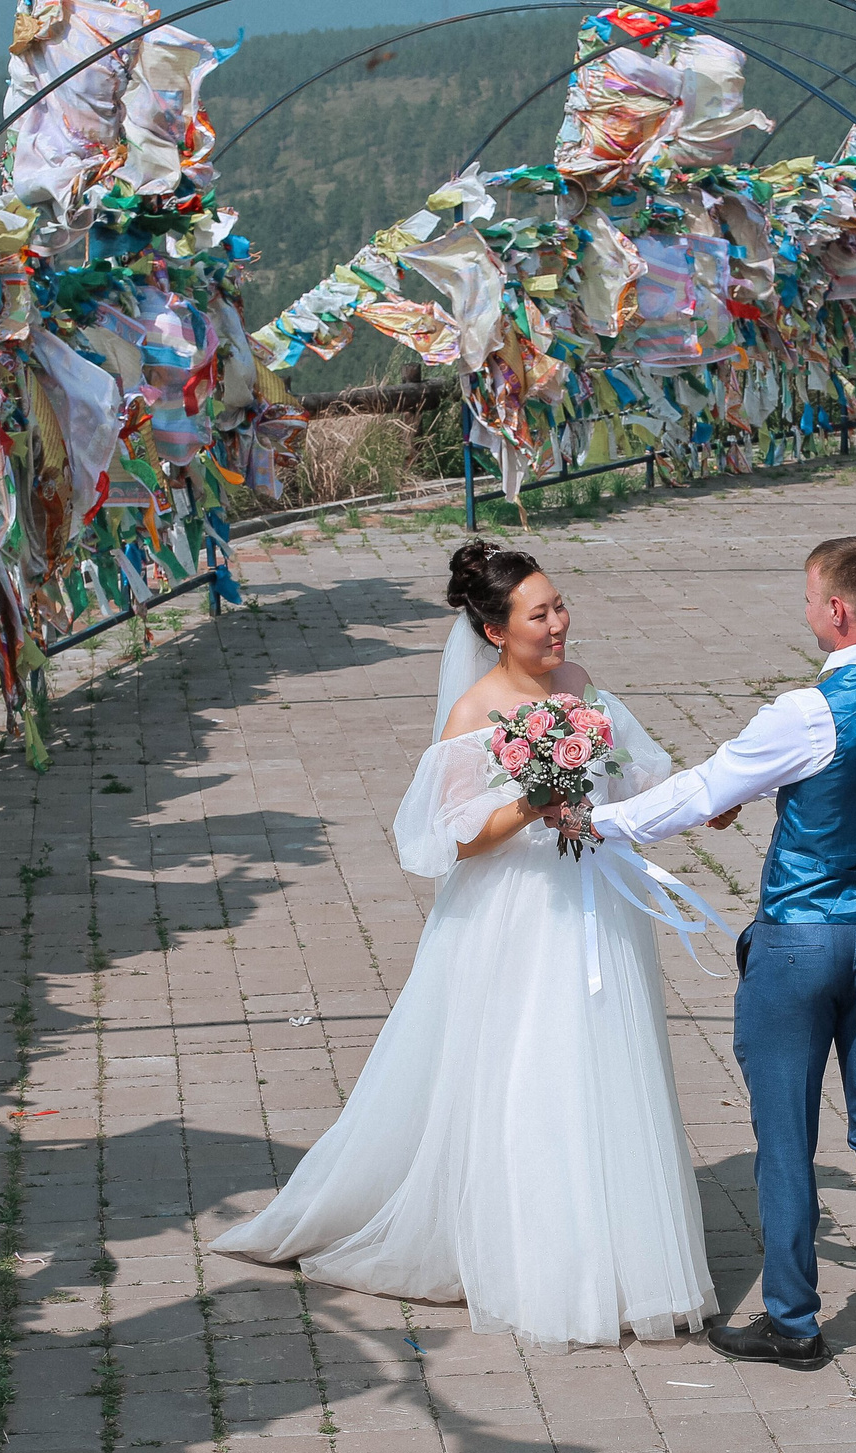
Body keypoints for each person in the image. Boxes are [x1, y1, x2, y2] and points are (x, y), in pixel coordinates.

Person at [209, 542, 716, 1349]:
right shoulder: (474, 714)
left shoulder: (580, 686)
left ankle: (625, 1258)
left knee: (607, 1068)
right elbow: (447, 838)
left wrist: (700, 800)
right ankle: (541, 1263)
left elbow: (634, 772)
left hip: (593, 898)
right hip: (518, 911)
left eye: (559, 606)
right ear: (492, 628)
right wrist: (532, 801)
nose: (558, 624)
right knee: (532, 1073)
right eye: (538, 613)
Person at [586, 536, 856, 1401]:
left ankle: (794, 1320)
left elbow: (702, 789)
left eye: (808, 596)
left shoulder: (804, 710)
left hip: (801, 940)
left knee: (786, 1138)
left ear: (834, 611)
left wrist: (596, 824)